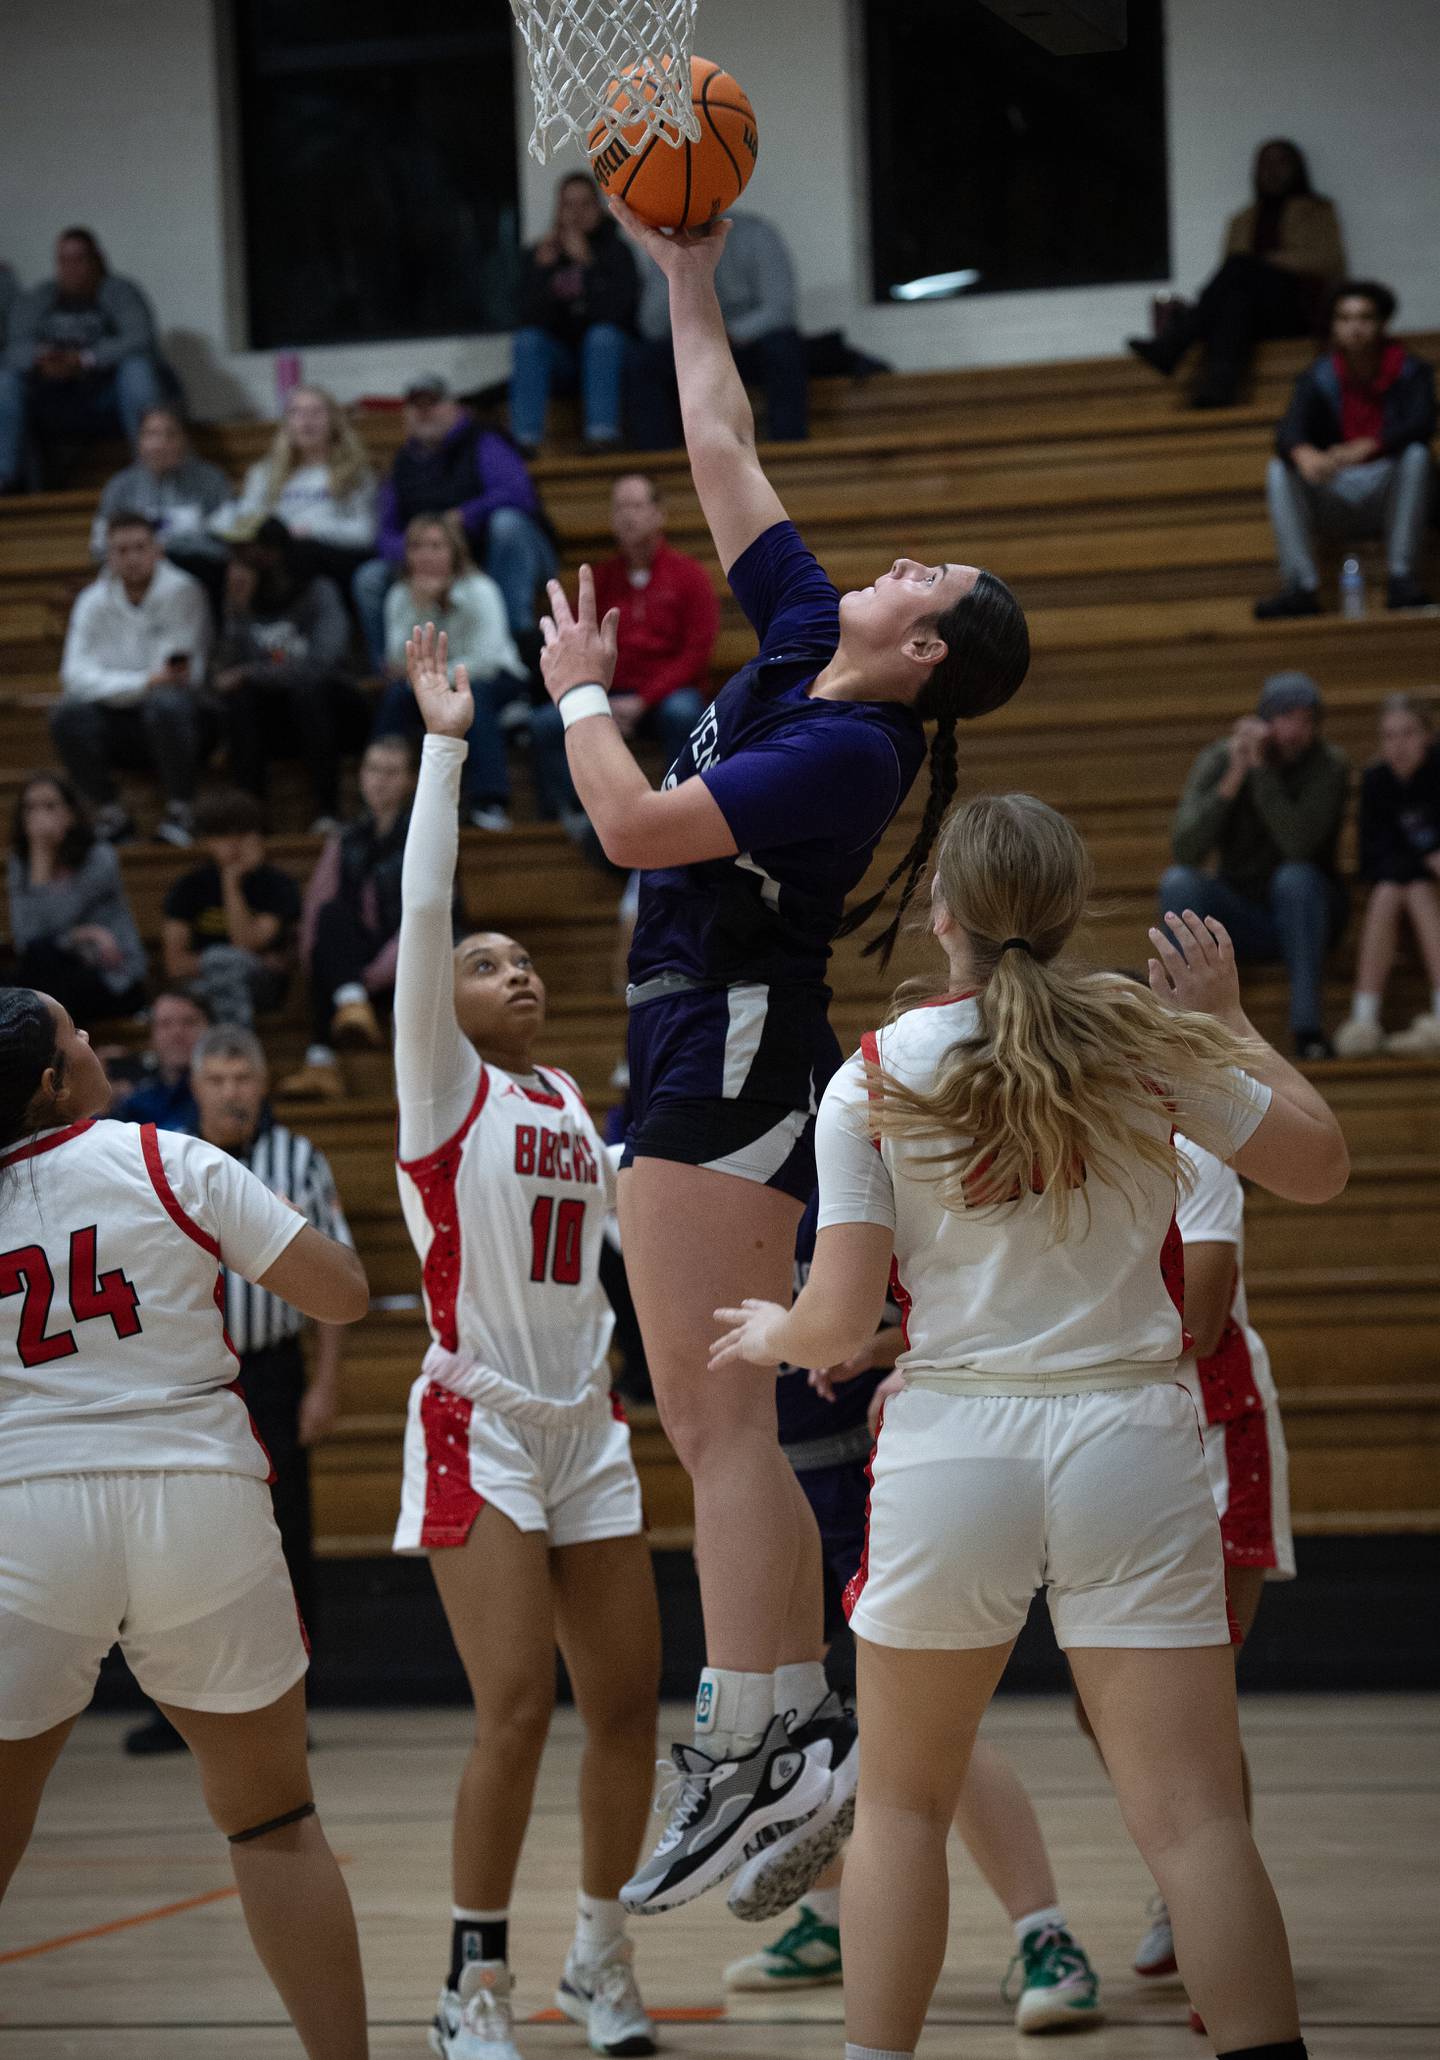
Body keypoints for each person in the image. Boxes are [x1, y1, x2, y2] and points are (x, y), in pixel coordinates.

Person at [538, 199, 1029, 1918]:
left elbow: (631, 829)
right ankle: (770, 1733)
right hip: (706, 1045)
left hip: (730, 1050)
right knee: (707, 1418)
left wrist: (583, 695)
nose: (895, 562)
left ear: (931, 652)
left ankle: (773, 1738)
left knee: (716, 1424)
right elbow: (722, 435)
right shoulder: (813, 630)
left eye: (926, 580)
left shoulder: (849, 755)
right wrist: (682, 273)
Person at [711, 792, 1348, 2060]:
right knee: (1197, 1824)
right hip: (1135, 1440)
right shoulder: (1151, 1036)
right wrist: (1232, 1025)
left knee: (899, 1806)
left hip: (958, 1450)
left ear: (944, 909)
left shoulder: (877, 1070)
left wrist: (767, 1331)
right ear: (1070, 909)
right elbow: (1321, 1164)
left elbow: (838, 1324)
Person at [0, 987, 371, 2058]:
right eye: (76, 1033)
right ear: (50, 1078)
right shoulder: (167, 1157)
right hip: (194, 1498)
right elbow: (341, 1291)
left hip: (28, 1512)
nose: (94, 1041)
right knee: (270, 1818)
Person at [391, 630, 663, 2060]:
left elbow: (649, 1240)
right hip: (478, 1424)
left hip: (588, 1421)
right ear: (441, 999)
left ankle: (596, 1956)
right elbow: (426, 906)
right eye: (487, 963)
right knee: (515, 1709)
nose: (515, 972)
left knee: (628, 1705)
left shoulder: (564, 1093)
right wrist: (446, 744)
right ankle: (469, 1981)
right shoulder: (438, 1094)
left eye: (524, 961)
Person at [723, 1199, 1103, 2038]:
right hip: (765, 1472)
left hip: (884, 1458)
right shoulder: (668, 1146)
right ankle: (825, 1921)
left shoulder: (864, 1120)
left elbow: (974, 1288)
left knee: (928, 1732)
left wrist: (902, 1352)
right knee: (789, 1712)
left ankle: (1047, 1938)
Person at [123, 1022, 357, 1758]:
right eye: (216, 1079)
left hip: (273, 1371)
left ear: (261, 1084)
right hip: (184, 1374)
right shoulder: (163, 1161)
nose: (230, 1092)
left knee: (284, 1539)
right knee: (179, 1540)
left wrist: (323, 1384)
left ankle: (296, 1704)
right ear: (194, 1086)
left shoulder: (301, 1161)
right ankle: (178, 1709)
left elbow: (339, 1279)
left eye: (241, 1078)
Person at [1116, 1129, 1295, 2031]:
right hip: (1115, 1435)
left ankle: (1209, 1923)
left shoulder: (1198, 1155)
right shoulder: (1085, 1140)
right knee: (1109, 1707)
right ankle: (1191, 1896)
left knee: (1192, 1709)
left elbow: (1208, 1314)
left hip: (1212, 1433)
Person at [1161, 673, 1349, 1059]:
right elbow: (1186, 848)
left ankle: (1307, 1031)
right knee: (1179, 882)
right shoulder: (1221, 758)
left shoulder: (1329, 766)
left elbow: (1297, 844)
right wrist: (1234, 775)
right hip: (1240, 914)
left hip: (1310, 913)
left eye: (1306, 720)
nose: (1296, 731)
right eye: (1286, 718)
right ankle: (1189, 1032)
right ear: (1263, 720)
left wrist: (1262, 773)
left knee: (1294, 878)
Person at [529, 473, 720, 829]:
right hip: (606, 691)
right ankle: (573, 820)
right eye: (619, 508)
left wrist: (644, 699)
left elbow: (696, 653)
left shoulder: (689, 576)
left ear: (659, 514)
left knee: (685, 715)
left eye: (635, 506)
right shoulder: (599, 580)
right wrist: (594, 695)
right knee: (543, 725)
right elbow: (573, 642)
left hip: (664, 696)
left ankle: (680, 811)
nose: (627, 516)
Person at [1255, 281, 1436, 618]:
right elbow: (1288, 430)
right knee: (1280, 468)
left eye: (1365, 317)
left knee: (1417, 456)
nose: (1355, 327)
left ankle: (1401, 579)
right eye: (1345, 318)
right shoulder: (1318, 376)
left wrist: (1371, 446)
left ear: (1382, 324)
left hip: (1388, 488)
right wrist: (1302, 452)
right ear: (1334, 327)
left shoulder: (1412, 371)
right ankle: (1302, 588)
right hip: (1335, 489)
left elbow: (1423, 423)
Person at [352, 377, 556, 664]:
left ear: (455, 408)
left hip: (496, 556)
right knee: (369, 578)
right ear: (405, 416)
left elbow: (518, 493)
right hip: (435, 558)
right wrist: (416, 552)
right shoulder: (402, 463)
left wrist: (464, 517)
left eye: (433, 404)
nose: (424, 412)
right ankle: (387, 671)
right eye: (416, 406)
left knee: (507, 524)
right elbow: (385, 533)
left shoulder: (483, 441)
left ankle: (515, 640)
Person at [1128, 140, 1344, 409]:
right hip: (1251, 315)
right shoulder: (1242, 219)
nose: (1272, 171)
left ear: (1297, 168)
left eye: (1281, 163)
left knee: (1240, 265)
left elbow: (1330, 262)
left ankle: (1174, 343)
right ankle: (1217, 390)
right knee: (1234, 300)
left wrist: (1270, 262)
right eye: (1265, 164)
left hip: (1297, 311)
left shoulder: (1317, 211)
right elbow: (1228, 279)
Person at [52, 510, 213, 848]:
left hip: (183, 720)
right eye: (121, 550)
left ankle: (182, 808)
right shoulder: (90, 602)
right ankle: (110, 813)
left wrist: (118, 683)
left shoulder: (184, 591)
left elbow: (178, 675)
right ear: (108, 556)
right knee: (67, 714)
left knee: (167, 703)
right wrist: (143, 682)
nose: (132, 558)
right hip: (121, 720)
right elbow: (74, 676)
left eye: (140, 548)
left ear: (158, 550)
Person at [279, 735, 418, 1101]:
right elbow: (317, 911)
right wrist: (326, 964)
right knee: (329, 916)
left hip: (410, 959)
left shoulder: (426, 834)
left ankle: (323, 1053)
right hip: (351, 962)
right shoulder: (347, 838)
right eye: (372, 769)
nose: (379, 780)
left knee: (337, 944)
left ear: (411, 780)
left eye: (391, 772)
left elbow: (429, 918)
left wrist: (362, 976)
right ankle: (339, 1027)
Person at [376, 513, 529, 831]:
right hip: (429, 684)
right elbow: (395, 661)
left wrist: (432, 679)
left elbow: (486, 660)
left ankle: (491, 801)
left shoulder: (480, 589)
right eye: (417, 547)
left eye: (436, 546)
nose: (426, 555)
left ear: (454, 552)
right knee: (394, 700)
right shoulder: (400, 596)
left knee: (474, 695)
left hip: (496, 677)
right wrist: (421, 608)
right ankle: (384, 798)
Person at [212, 518, 365, 833]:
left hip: (335, 713)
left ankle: (328, 812)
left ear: (272, 554)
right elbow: (222, 679)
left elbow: (322, 664)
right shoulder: (242, 603)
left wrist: (252, 673)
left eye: (246, 554)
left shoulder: (318, 591)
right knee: (241, 701)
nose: (237, 565)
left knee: (308, 690)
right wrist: (234, 613)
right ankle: (249, 819)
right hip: (275, 720)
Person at [0, 227, 168, 493]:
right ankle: (5, 479)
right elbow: (12, 348)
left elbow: (140, 338)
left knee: (138, 369)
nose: (71, 268)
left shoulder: (119, 291)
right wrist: (42, 359)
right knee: (6, 380)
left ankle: (154, 468)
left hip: (107, 398)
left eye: (79, 259)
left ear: (96, 259)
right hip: (54, 398)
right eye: (64, 260)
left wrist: (85, 359)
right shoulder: (39, 297)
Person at [628, 210, 809, 447]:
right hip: (697, 349)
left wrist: (730, 333)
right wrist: (675, 266)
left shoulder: (755, 233)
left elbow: (780, 308)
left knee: (783, 346)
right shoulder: (668, 245)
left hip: (746, 344)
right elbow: (650, 325)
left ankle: (789, 446)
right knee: (642, 360)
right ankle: (661, 460)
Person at [1334, 694, 1440, 1056]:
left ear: (1428, 735)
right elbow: (1371, 859)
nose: (1399, 745)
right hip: (1404, 889)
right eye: (1389, 736)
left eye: (1408, 733)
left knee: (1415, 889)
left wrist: (1420, 862)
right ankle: (1364, 1022)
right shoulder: (1377, 780)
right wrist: (1424, 858)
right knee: (1393, 890)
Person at [510, 173, 637, 454]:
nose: (577, 214)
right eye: (569, 205)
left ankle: (602, 436)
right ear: (559, 211)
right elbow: (526, 319)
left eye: (584, 205)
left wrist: (588, 265)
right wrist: (542, 274)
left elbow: (620, 314)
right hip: (563, 360)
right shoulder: (541, 255)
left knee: (602, 338)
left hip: (608, 356)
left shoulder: (617, 252)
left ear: (599, 208)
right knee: (528, 341)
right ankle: (525, 442)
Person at [5, 773, 147, 1022]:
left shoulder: (99, 857)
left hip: (110, 974)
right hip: (52, 970)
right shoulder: (21, 864)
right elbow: (26, 938)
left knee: (44, 963)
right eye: (30, 808)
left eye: (49, 806)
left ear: (70, 813)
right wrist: (79, 934)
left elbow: (51, 924)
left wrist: (41, 854)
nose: (40, 816)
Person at [219, 385, 378, 594]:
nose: (306, 420)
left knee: (298, 553)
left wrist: (310, 529)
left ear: (333, 421)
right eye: (297, 412)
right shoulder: (264, 473)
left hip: (334, 555)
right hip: (275, 551)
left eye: (316, 412)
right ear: (287, 422)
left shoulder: (355, 472)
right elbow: (248, 517)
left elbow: (365, 533)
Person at [162, 790, 301, 1028]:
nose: (234, 843)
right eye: (222, 835)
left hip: (260, 986)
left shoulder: (277, 884)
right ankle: (236, 1048)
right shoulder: (189, 887)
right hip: (202, 984)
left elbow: (244, 942)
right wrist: (223, 961)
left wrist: (231, 882)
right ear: (207, 840)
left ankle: (229, 1049)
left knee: (225, 965)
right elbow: (175, 964)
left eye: (243, 833)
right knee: (220, 966)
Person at [89, 404, 232, 609]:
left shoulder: (212, 481)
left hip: (197, 573)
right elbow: (99, 544)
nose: (160, 444)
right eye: (151, 434)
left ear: (185, 439)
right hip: (135, 575)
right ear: (139, 441)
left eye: (170, 434)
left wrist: (172, 549)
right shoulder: (120, 487)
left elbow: (226, 543)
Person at [111, 986, 211, 1129]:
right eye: (165, 1024)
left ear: (209, 1028)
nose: (177, 1033)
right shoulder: (135, 1100)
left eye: (188, 1022)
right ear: (151, 1036)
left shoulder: (231, 1091)